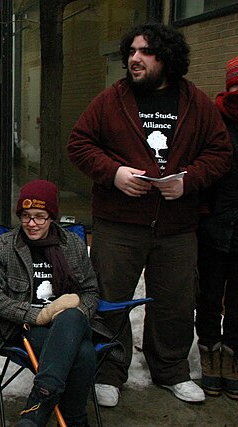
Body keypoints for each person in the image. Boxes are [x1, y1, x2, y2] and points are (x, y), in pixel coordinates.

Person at [67, 23, 232, 407]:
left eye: (145, 52)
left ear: (168, 59)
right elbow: (79, 144)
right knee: (110, 299)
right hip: (119, 223)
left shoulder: (196, 103)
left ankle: (172, 370)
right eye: (132, 52)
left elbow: (220, 153)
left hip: (176, 225)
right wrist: (114, 174)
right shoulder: (111, 100)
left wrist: (188, 181)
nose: (134, 59)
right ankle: (107, 371)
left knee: (175, 302)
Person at [0, 180, 99, 427]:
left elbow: (90, 292)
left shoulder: (73, 245)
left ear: (52, 216)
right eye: (26, 216)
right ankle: (75, 420)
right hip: (24, 328)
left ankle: (37, 409)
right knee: (84, 354)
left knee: (71, 316)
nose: (32, 224)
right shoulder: (5, 245)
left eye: (40, 217)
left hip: (71, 325)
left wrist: (72, 311)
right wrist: (37, 316)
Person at [195, 55, 238, 400]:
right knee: (209, 296)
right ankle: (209, 352)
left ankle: (232, 357)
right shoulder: (213, 120)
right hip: (213, 226)